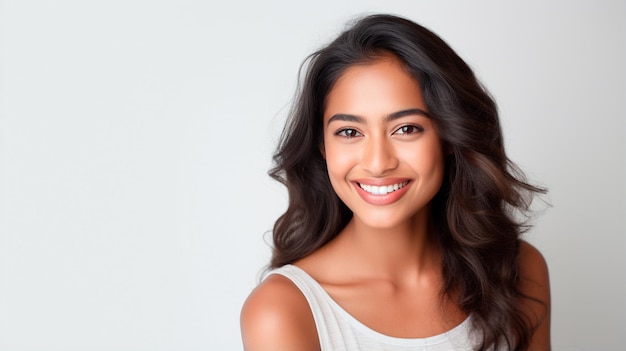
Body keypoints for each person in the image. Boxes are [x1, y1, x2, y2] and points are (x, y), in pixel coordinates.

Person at [240, 14, 550, 351]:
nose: (377, 163)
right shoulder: (283, 311)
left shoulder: (518, 269)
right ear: (322, 146)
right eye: (349, 132)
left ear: (449, 135)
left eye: (406, 128)